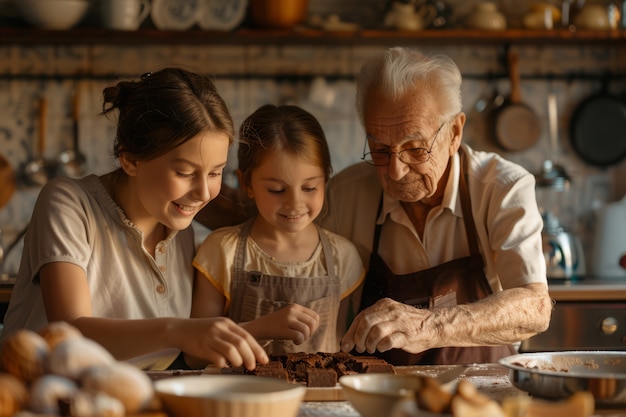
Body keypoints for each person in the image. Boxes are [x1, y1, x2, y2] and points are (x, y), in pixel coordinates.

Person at [1, 68, 268, 371]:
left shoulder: (179, 222)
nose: (204, 192)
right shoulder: (68, 203)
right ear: (130, 160)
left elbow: (261, 214)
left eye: (215, 171)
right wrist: (178, 331)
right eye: (184, 172)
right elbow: (69, 333)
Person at [320, 47, 553, 365]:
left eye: (415, 149)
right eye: (380, 150)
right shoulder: (345, 194)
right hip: (380, 397)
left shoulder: (503, 187)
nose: (396, 171)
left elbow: (534, 308)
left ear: (455, 132)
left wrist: (428, 325)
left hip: (480, 395)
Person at [190, 104, 364, 362]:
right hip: (240, 398)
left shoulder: (343, 257)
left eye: (309, 188)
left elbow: (341, 350)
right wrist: (261, 328)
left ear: (326, 179)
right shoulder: (220, 252)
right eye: (276, 190)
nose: (294, 203)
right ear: (247, 183)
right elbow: (195, 356)